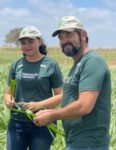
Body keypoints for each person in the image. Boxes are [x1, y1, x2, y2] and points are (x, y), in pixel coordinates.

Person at [34, 16, 111, 150]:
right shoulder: (78, 64)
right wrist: (42, 107)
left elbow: (84, 106)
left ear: (83, 35)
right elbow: (69, 97)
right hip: (76, 141)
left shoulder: (92, 62)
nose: (64, 41)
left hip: (89, 143)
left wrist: (53, 115)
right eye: (61, 38)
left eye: (68, 35)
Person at [4, 26, 63, 150]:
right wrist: (8, 99)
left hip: (42, 122)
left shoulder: (51, 64)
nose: (27, 45)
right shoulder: (17, 64)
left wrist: (39, 105)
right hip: (17, 122)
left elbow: (61, 96)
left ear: (40, 41)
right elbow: (8, 92)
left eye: (31, 41)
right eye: (23, 42)